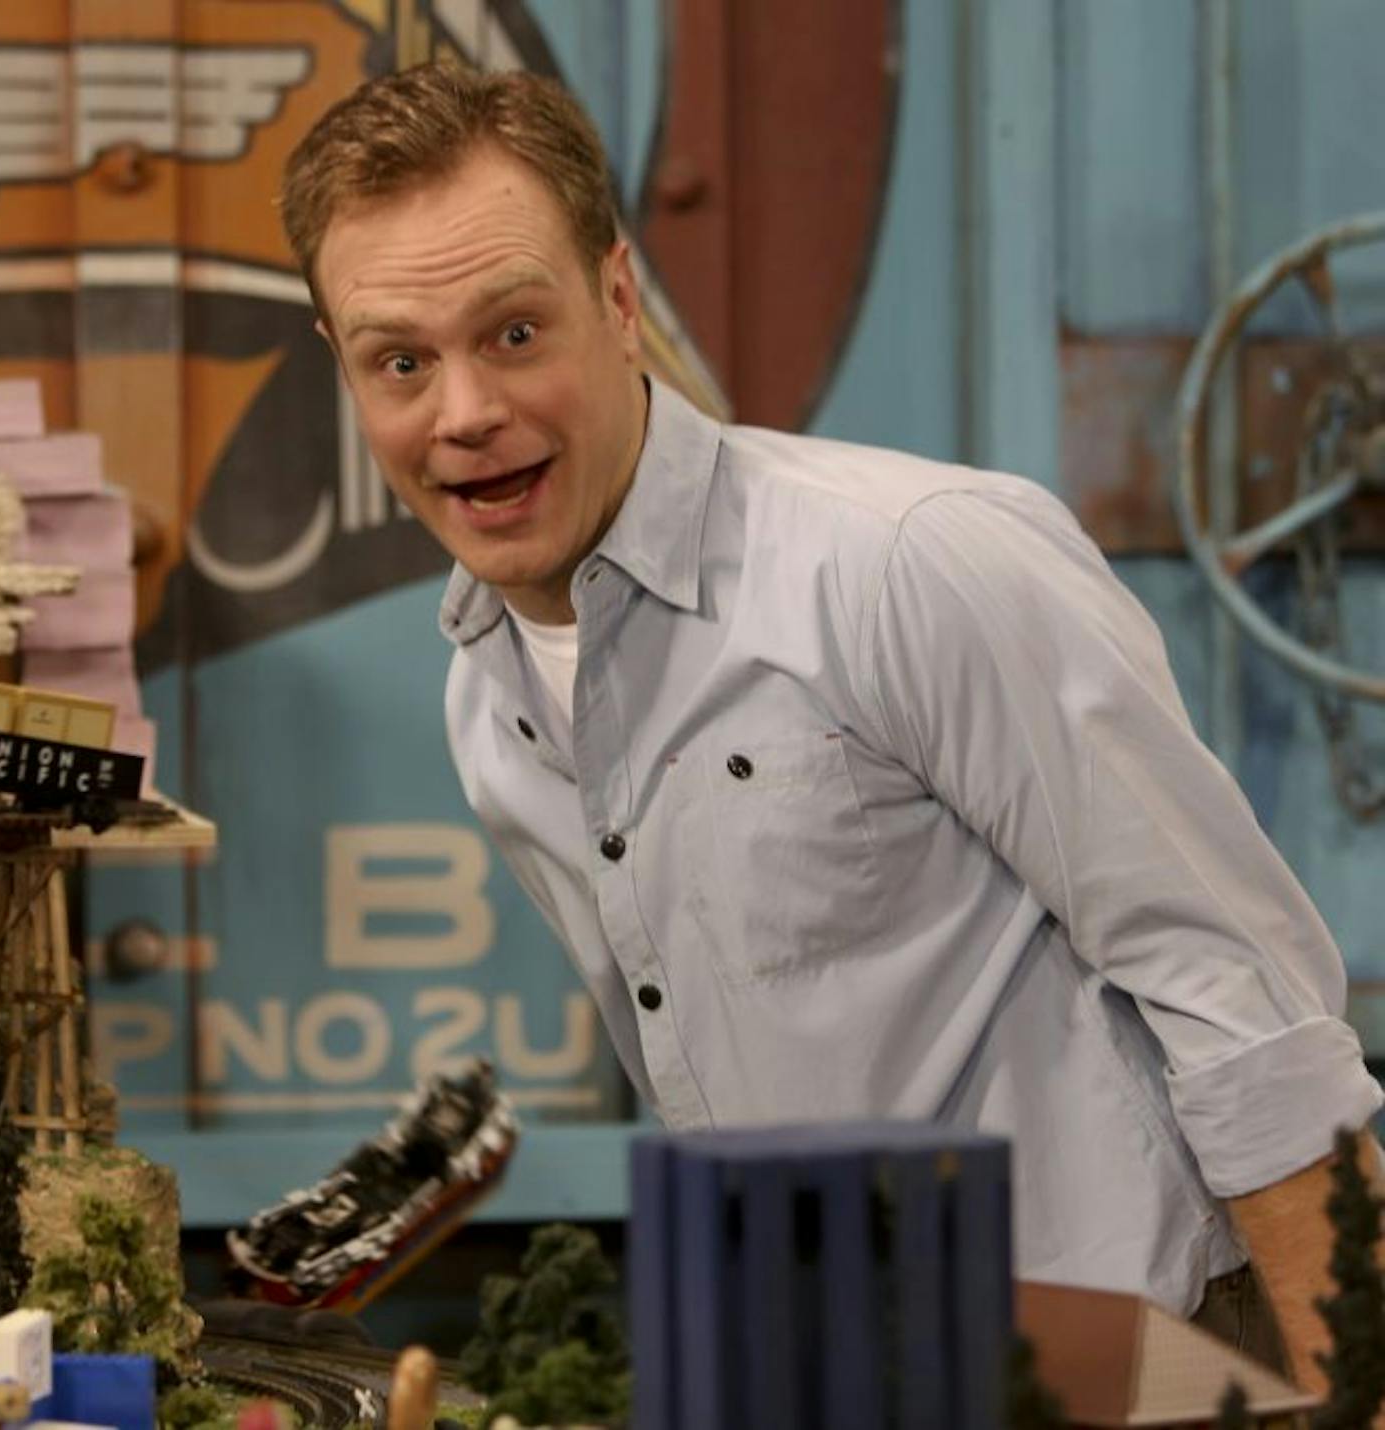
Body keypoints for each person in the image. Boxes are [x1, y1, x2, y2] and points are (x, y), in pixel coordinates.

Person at [278, 61, 1384, 1388]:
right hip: (865, 1367)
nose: (463, 413)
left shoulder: (909, 560)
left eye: (514, 332)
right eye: (403, 359)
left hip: (1148, 1363)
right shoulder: (490, 698)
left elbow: (1240, 993)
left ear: (618, 300)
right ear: (345, 372)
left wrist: (1359, 1382)